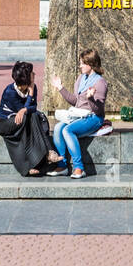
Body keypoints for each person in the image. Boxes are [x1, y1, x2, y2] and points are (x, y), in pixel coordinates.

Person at [0, 61, 61, 177]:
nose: (34, 74)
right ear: (25, 80)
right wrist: (30, 96)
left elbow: (32, 108)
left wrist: (25, 108)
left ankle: (44, 156)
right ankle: (48, 152)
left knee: (39, 117)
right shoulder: (10, 92)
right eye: (31, 73)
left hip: (22, 120)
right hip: (3, 123)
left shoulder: (32, 87)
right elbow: (23, 111)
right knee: (28, 116)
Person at [50, 48, 107, 178]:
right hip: (78, 115)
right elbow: (75, 101)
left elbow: (98, 110)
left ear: (90, 64)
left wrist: (91, 98)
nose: (80, 66)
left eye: (82, 63)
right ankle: (62, 166)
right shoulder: (81, 78)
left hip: (94, 118)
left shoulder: (100, 82)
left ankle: (79, 168)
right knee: (58, 127)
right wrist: (60, 88)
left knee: (67, 130)